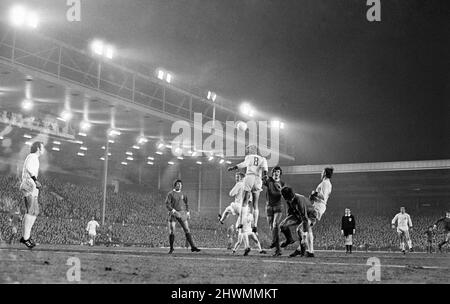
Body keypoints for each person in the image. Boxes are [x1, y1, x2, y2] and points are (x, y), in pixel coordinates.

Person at [227, 144, 268, 233]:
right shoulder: (263, 159)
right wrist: (264, 177)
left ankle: (241, 222)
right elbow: (265, 169)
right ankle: (255, 225)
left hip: (249, 177)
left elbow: (243, 164)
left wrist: (233, 167)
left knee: (245, 202)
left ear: (253, 150)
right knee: (255, 204)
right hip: (258, 179)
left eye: (249, 149)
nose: (248, 151)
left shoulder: (249, 157)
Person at [19, 141, 45, 249]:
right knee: (30, 210)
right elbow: (29, 168)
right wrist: (35, 180)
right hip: (29, 183)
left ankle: (27, 237)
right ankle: (25, 238)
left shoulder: (35, 158)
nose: (43, 149)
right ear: (38, 148)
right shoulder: (32, 156)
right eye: (42, 147)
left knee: (35, 211)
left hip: (32, 185)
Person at [280, 187, 318, 258]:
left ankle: (302, 250)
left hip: (310, 216)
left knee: (299, 230)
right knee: (282, 225)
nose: (290, 201)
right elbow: (290, 211)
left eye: (290, 199)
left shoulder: (299, 200)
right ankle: (289, 240)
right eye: (288, 200)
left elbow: (305, 218)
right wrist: (287, 220)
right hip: (297, 215)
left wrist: (304, 237)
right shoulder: (288, 199)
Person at [165, 179, 200, 254]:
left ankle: (193, 247)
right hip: (173, 213)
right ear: (175, 185)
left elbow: (187, 203)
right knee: (172, 231)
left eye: (181, 184)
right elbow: (167, 204)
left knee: (187, 229)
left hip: (182, 213)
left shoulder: (183, 194)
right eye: (178, 184)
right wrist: (174, 211)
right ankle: (171, 248)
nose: (180, 185)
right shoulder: (170, 194)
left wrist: (187, 213)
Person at [263, 166, 285, 256]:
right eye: (275, 171)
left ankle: (274, 242)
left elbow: (284, 195)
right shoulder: (269, 180)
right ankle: (278, 250)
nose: (276, 173)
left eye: (278, 172)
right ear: (273, 173)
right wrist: (263, 178)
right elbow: (262, 181)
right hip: (268, 206)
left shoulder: (282, 183)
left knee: (275, 225)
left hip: (278, 206)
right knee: (272, 228)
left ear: (280, 173)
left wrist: (280, 189)